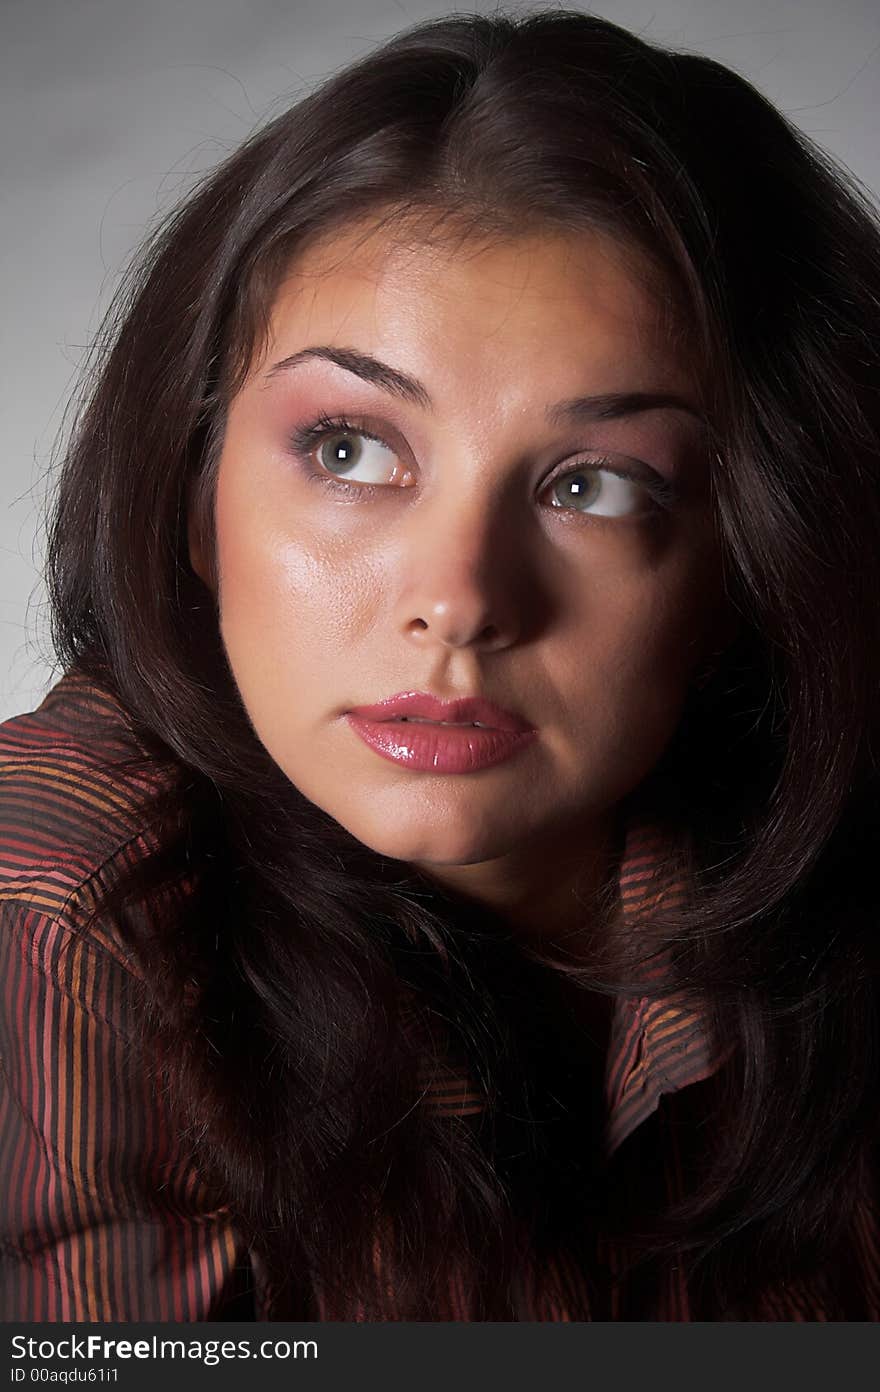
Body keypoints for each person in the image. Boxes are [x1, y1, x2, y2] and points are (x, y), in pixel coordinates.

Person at [2, 7, 879, 1323]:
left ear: (745, 563)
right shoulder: (58, 907)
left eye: (594, 484)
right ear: (195, 501)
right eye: (351, 449)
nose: (459, 602)